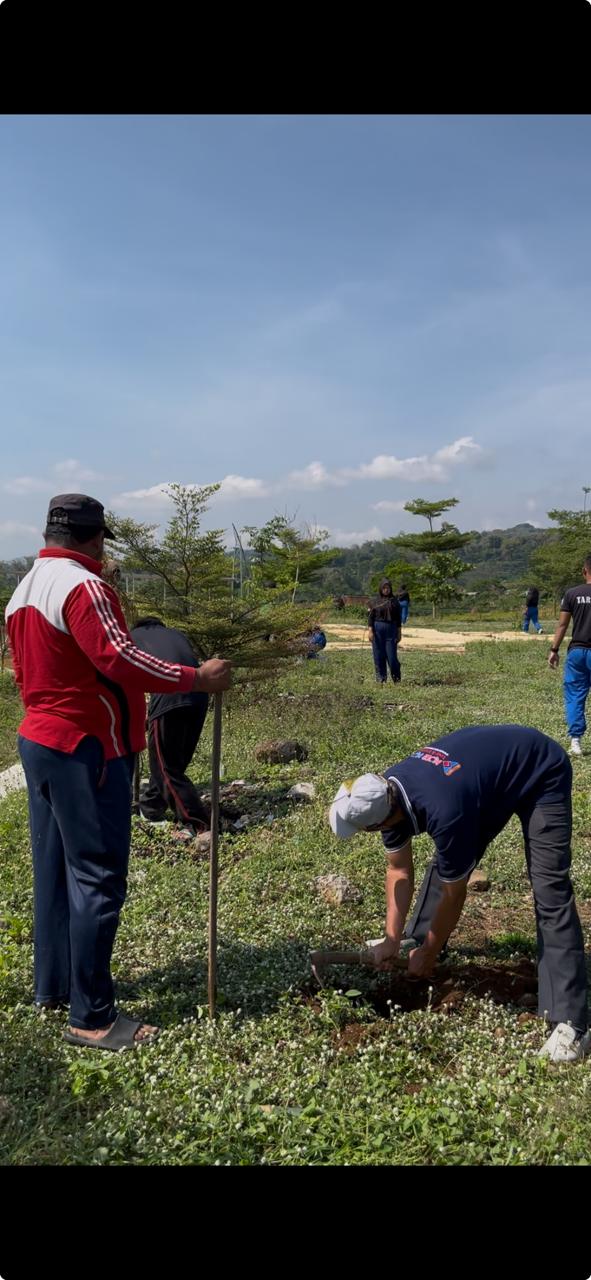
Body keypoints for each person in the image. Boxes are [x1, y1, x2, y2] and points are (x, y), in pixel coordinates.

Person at [5, 494, 231, 1052]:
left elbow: (25, 670)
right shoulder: (84, 586)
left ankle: (54, 988)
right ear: (96, 537)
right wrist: (195, 677)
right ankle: (92, 1017)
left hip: (41, 740)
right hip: (87, 748)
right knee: (98, 879)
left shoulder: (23, 588)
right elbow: (119, 657)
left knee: (56, 872)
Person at [329, 724, 590, 1063]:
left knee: (549, 886)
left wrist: (432, 953)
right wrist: (391, 940)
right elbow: (398, 870)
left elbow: (455, 894)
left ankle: (571, 1022)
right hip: (483, 781)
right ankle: (415, 940)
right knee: (452, 860)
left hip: (539, 769)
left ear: (379, 821)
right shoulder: (386, 792)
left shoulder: (443, 809)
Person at [130, 616, 211, 831]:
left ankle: (198, 822)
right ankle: (150, 807)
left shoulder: (132, 638)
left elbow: (130, 677)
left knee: (166, 767)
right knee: (172, 762)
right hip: (200, 694)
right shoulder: (176, 634)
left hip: (170, 695)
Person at [548, 554, 591, 756]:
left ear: (584, 571)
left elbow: (563, 625)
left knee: (575, 695)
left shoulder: (572, 594)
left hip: (577, 653)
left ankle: (576, 742)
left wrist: (554, 650)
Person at [367, 578, 402, 684]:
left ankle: (396, 679)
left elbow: (398, 619)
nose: (386, 590)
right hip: (377, 631)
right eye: (384, 588)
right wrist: (370, 631)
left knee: (392, 658)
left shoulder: (395, 602)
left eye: (388, 588)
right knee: (378, 656)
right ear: (380, 589)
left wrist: (399, 632)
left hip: (391, 631)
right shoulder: (374, 601)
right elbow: (370, 618)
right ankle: (381, 679)